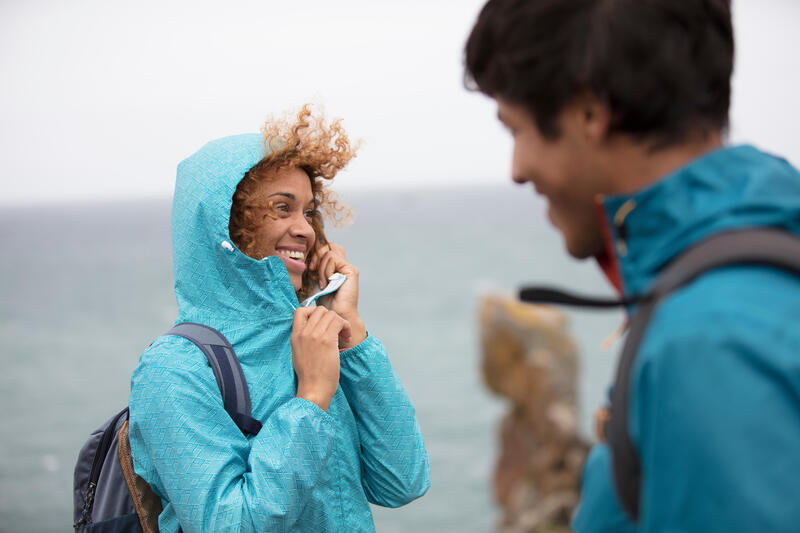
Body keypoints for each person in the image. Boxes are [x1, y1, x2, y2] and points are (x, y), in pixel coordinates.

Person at [464, 0, 800, 531]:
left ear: (590, 113)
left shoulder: (708, 341)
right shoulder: (754, 261)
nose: (517, 170)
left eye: (518, 130)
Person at [127, 105, 430, 532]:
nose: (305, 229)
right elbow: (228, 525)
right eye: (281, 208)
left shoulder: (312, 335)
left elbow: (403, 480)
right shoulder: (174, 368)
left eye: (307, 211)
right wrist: (311, 399)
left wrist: (352, 333)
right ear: (227, 221)